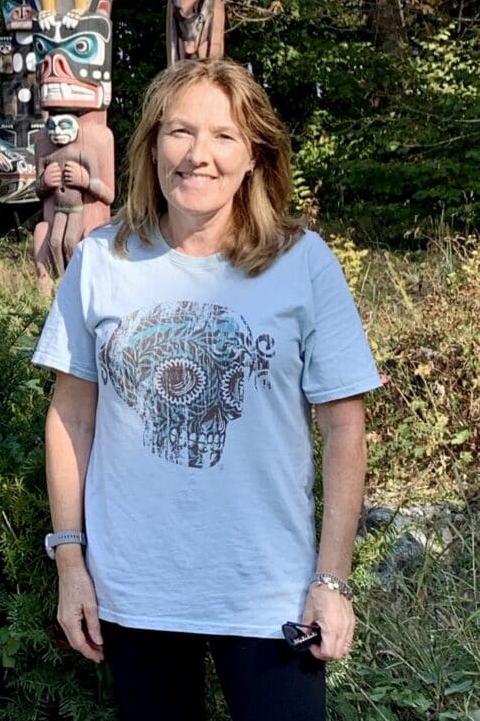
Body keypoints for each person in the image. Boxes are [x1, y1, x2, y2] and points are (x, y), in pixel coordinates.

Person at [32, 58, 381, 721]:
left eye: (223, 136)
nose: (199, 156)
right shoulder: (102, 263)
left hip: (270, 592)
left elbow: (344, 426)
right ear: (151, 145)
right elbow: (70, 420)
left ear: (254, 155)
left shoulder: (302, 261)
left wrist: (331, 580)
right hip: (134, 591)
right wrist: (71, 564)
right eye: (179, 132)